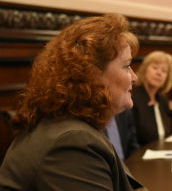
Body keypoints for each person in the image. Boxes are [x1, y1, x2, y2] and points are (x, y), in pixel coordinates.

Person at [0, 13, 146, 191]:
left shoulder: (76, 126)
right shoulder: (72, 142)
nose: (135, 77)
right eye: (126, 66)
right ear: (92, 74)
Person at [132, 51, 172, 146]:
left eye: (164, 71)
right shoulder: (133, 99)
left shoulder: (163, 101)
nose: (159, 73)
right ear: (144, 70)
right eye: (155, 68)